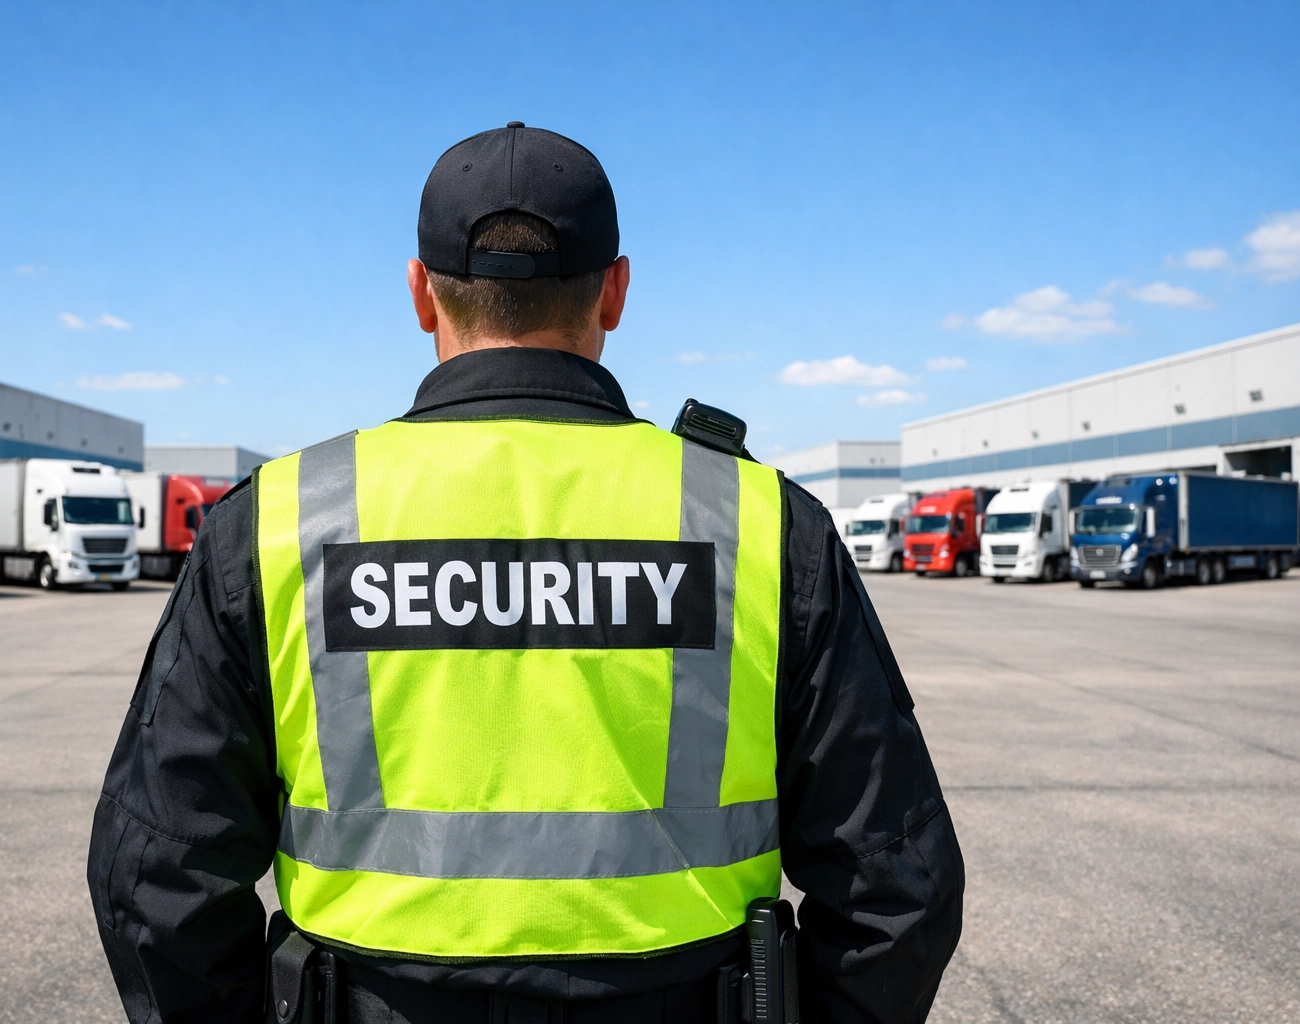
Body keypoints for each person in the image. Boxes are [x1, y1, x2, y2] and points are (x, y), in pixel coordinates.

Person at [88, 123, 963, 1024]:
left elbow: (157, 873)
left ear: (420, 293)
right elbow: (896, 883)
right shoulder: (756, 521)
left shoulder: (282, 519)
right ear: (615, 291)